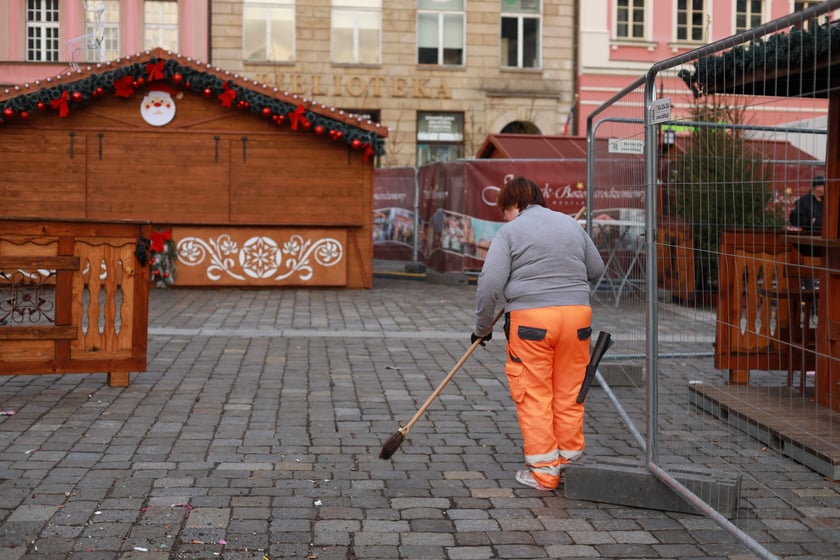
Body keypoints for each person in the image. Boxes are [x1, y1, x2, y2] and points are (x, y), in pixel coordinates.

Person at [471, 176, 605, 491]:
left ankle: (544, 473)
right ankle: (571, 466)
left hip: (532, 322)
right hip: (576, 319)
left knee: (534, 395)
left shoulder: (510, 231)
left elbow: (489, 283)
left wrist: (482, 328)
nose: (502, 217)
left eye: (503, 209)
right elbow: (597, 268)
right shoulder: (570, 226)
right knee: (570, 393)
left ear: (514, 204)